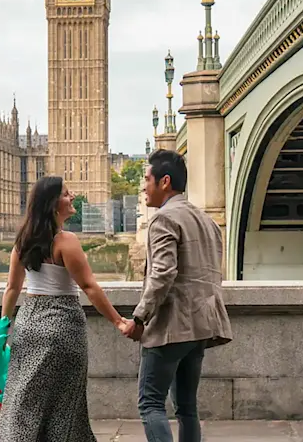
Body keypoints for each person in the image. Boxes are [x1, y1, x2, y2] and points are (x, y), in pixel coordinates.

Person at [0, 176, 129, 441]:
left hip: (28, 324)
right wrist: (118, 321)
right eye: (67, 194)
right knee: (65, 406)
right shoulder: (66, 241)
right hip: (62, 325)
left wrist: (1, 332)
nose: (73, 196)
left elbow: (12, 288)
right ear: (53, 204)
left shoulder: (23, 241)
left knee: (23, 401)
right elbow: (89, 286)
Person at [120, 150, 232, 442]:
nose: (144, 187)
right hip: (201, 326)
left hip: (171, 327)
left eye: (147, 179)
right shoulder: (206, 220)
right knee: (187, 408)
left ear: (165, 181)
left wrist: (139, 318)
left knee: (150, 403)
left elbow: (163, 274)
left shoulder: (164, 219)